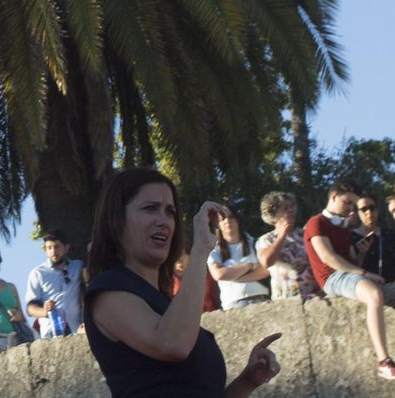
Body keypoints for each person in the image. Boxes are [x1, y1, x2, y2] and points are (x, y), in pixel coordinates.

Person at [84, 167, 283, 397]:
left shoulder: (165, 306)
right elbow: (173, 345)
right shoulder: (107, 291)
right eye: (150, 208)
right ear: (116, 220)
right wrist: (200, 252)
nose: (164, 221)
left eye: (170, 212)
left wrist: (247, 381)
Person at [305, 178, 395, 381]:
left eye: (353, 204)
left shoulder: (343, 227)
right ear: (333, 197)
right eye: (348, 203)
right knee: (374, 294)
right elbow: (328, 258)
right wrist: (364, 273)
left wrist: (360, 256)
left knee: (379, 291)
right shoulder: (316, 223)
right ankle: (384, 361)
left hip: (347, 275)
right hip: (331, 278)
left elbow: (350, 258)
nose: (352, 209)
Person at [254, 191, 318, 301]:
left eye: (292, 206)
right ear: (273, 213)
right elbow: (266, 262)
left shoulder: (304, 234)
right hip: (286, 299)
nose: (291, 210)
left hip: (314, 296)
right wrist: (282, 235)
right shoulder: (266, 239)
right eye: (285, 208)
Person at [206, 207, 270, 310]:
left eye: (231, 217)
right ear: (218, 225)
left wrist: (235, 276)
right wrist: (250, 266)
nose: (227, 221)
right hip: (234, 306)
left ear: (238, 220)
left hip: (261, 301)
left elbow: (267, 270)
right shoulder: (214, 251)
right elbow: (219, 274)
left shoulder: (255, 243)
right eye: (222, 219)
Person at [26, 230, 85, 337]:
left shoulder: (78, 267)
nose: (53, 251)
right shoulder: (38, 273)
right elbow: (30, 308)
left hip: (76, 329)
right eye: (49, 248)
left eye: (57, 246)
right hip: (51, 332)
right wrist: (45, 311)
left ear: (66, 248)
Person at [352, 195, 395, 283]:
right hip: (369, 287)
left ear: (377, 210)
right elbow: (350, 269)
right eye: (364, 209)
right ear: (357, 213)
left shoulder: (389, 234)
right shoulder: (351, 236)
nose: (369, 212)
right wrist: (361, 254)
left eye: (372, 208)